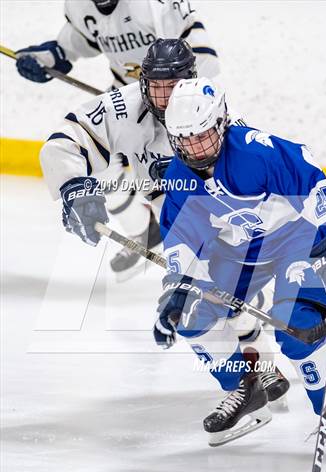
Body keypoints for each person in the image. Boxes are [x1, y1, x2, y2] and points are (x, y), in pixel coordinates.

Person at [39, 40, 290, 413]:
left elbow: (246, 181)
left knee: (226, 290)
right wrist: (73, 186)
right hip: (170, 216)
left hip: (218, 212)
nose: (161, 98)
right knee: (201, 298)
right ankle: (252, 373)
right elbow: (65, 141)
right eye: (154, 87)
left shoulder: (215, 112)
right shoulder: (124, 105)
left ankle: (260, 364)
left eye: (170, 88)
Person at [154, 77, 326, 452]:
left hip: (293, 244)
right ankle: (247, 386)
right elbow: (181, 235)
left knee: (297, 330)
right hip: (240, 254)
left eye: (201, 135)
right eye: (183, 139)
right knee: (188, 316)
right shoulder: (179, 176)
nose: (194, 148)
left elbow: (318, 187)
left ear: (220, 122)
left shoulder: (256, 152)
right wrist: (179, 284)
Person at [17, 0, 220, 279]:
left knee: (184, 188)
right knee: (100, 169)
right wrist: (51, 57)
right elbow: (81, 40)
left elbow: (203, 59)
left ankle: (223, 262)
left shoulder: (153, 5)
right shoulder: (80, 6)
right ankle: (144, 231)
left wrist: (172, 108)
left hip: (181, 103)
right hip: (128, 98)